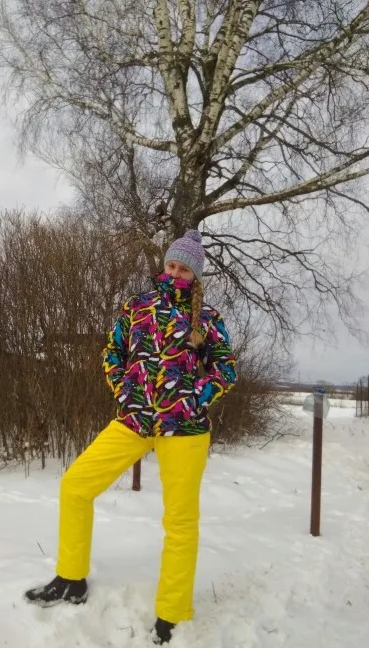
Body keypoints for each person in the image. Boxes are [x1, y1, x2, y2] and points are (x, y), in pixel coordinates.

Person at [25, 230, 237, 644]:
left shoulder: (207, 319)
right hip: (134, 420)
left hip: (185, 429)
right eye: (171, 265)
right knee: (76, 486)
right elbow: (112, 353)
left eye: (184, 269)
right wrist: (125, 392)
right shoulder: (137, 307)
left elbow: (225, 369)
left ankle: (172, 613)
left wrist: (194, 399)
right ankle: (71, 578)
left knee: (180, 522)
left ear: (195, 275)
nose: (175, 272)